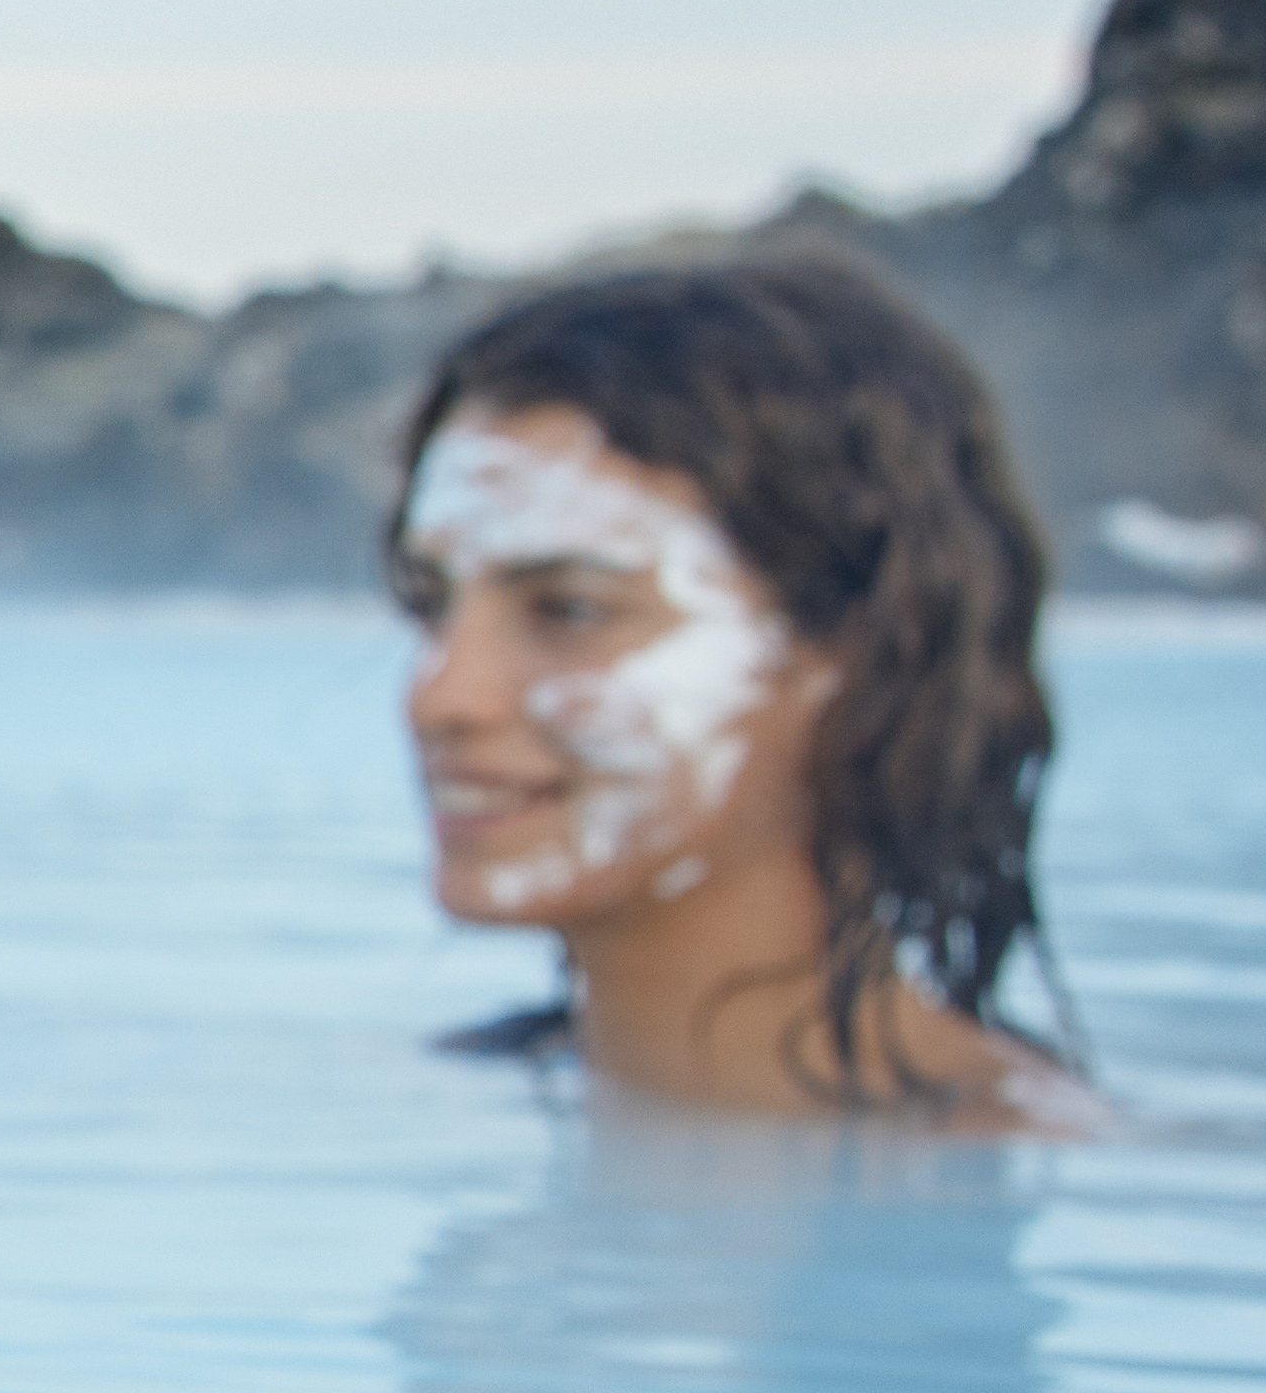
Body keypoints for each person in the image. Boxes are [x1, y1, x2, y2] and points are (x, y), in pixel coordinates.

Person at [382, 246, 1085, 1127]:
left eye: (569, 610)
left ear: (856, 649)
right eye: (429, 605)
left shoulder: (1055, 1169)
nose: (439, 697)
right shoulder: (425, 1102)